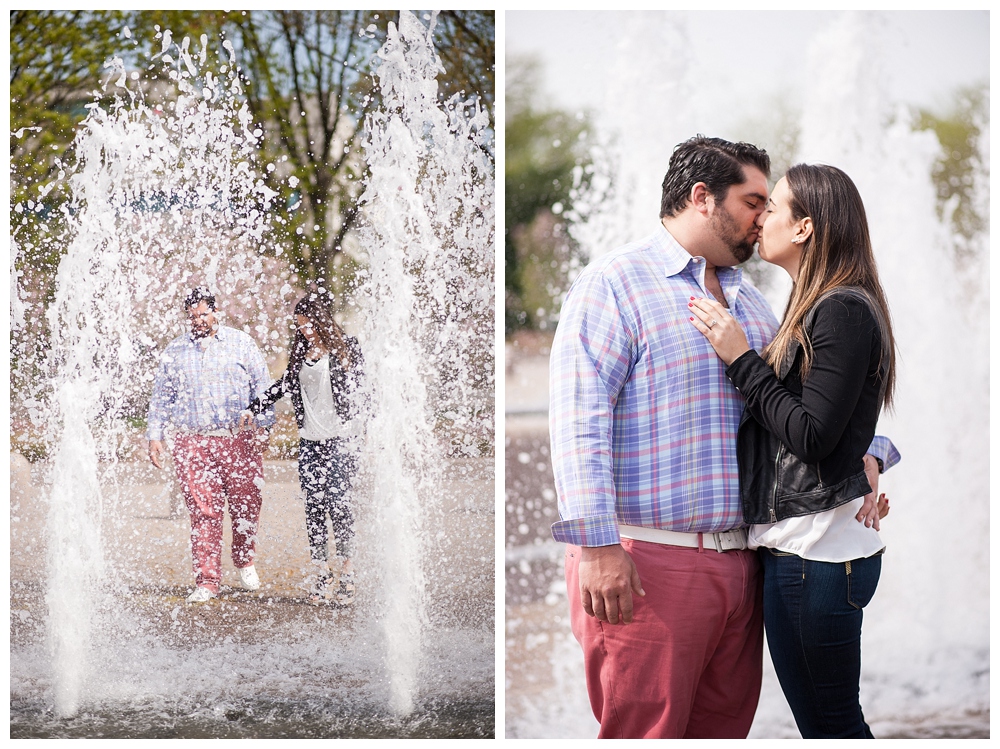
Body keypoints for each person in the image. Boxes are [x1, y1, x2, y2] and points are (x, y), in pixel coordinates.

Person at [548, 136, 895, 739]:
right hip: (648, 561)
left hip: (745, 564)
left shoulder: (754, 306)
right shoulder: (615, 284)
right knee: (646, 732)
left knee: (722, 733)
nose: (764, 217)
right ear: (703, 198)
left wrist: (871, 455)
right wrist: (599, 547)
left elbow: (814, 416)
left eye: (770, 204)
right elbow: (579, 422)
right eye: (753, 200)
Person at [688, 163, 898, 738]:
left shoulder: (841, 309)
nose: (761, 221)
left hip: (815, 558)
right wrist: (874, 455)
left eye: (773, 208)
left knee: (829, 725)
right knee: (829, 721)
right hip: (814, 555)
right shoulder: (823, 306)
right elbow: (839, 421)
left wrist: (740, 359)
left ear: (804, 227)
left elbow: (810, 434)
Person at [147, 287, 275, 603]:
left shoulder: (242, 344)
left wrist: (264, 426)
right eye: (192, 316)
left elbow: (263, 388)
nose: (198, 321)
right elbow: (162, 398)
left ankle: (245, 559)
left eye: (203, 314)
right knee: (204, 512)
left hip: (238, 439)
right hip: (192, 443)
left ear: (216, 312)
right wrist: (155, 436)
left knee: (247, 504)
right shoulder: (175, 351)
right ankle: (207, 581)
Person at [242, 291, 364, 606]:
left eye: (309, 323)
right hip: (310, 444)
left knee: (339, 506)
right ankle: (322, 573)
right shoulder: (300, 353)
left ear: (321, 319)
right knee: (314, 509)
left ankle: (347, 571)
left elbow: (365, 391)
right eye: (300, 325)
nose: (305, 330)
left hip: (341, 441)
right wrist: (253, 408)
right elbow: (284, 385)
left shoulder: (347, 349)